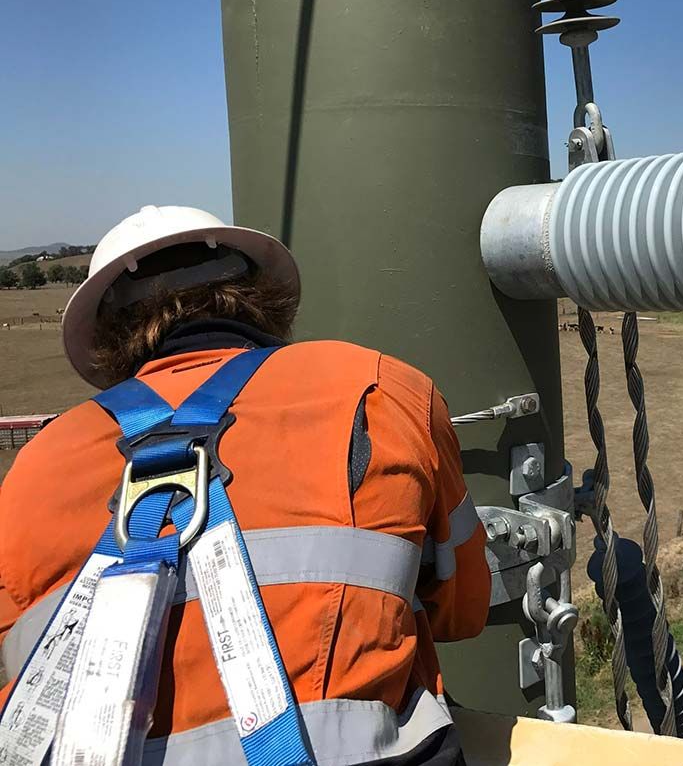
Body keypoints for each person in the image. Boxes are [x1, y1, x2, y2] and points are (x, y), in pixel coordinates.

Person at [0, 205, 489, 765]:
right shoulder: (379, 390)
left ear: (107, 335)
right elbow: (464, 610)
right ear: (261, 295)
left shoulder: (32, 469)